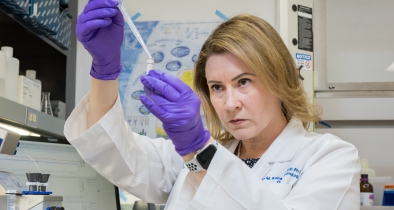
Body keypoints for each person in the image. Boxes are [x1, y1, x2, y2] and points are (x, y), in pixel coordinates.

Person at [64, 0, 361, 209]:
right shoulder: (188, 156)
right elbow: (116, 152)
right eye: (217, 87)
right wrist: (104, 70)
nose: (230, 103)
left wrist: (198, 150)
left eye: (243, 82)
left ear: (279, 80)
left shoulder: (329, 158)